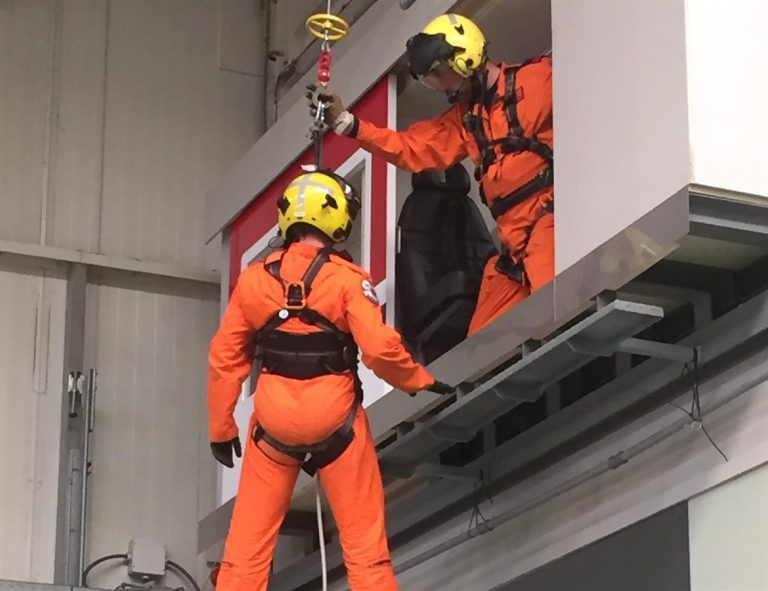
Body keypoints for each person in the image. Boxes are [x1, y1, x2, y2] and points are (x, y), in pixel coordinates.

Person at [207, 168, 454, 591]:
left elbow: (225, 357)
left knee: (245, 553)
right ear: (339, 221)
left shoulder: (252, 282)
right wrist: (417, 380)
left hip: (273, 428)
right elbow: (378, 350)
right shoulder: (347, 279)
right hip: (336, 423)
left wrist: (221, 426)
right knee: (365, 548)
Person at [310, 13, 553, 335]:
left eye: (440, 74)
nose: (440, 87)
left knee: (558, 307)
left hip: (550, 223)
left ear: (465, 59)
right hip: (514, 250)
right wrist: (348, 124)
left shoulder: (539, 80)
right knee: (479, 349)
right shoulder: (465, 119)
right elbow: (411, 148)